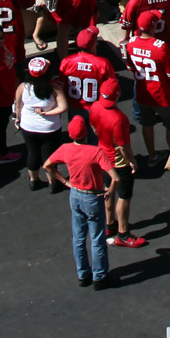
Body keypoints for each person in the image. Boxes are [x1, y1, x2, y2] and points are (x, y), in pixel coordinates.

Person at [44, 116, 113, 287]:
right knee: (97, 238)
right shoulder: (95, 152)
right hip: (93, 197)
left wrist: (65, 181)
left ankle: (83, 275)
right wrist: (110, 190)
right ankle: (99, 277)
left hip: (75, 194)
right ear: (86, 134)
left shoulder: (66, 149)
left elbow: (47, 165)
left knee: (79, 238)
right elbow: (115, 177)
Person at [89, 81, 147, 249]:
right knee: (124, 196)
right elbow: (123, 147)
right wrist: (132, 161)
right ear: (118, 95)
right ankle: (123, 233)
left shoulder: (95, 107)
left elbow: (93, 128)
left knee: (108, 191)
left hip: (102, 158)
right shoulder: (119, 119)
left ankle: (109, 225)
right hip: (118, 163)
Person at [15, 58, 70, 190]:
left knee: (32, 153)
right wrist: (47, 113)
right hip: (50, 129)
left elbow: (18, 106)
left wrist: (18, 118)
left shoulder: (23, 87)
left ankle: (33, 181)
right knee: (50, 156)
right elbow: (63, 107)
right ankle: (52, 183)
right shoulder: (54, 88)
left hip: (28, 127)